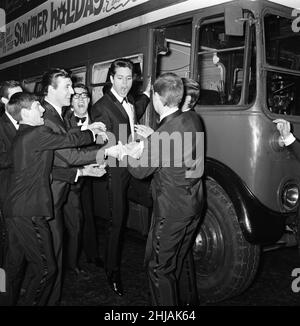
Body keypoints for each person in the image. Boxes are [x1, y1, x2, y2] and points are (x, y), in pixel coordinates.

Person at [2, 92, 106, 305]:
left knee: (13, 265)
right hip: (29, 212)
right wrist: (93, 134)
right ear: (25, 112)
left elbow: (45, 172)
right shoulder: (36, 132)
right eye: (37, 107)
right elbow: (69, 140)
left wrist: (83, 172)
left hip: (18, 210)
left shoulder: (24, 135)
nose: (42, 110)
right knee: (46, 269)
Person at [125, 72, 205, 305]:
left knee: (159, 270)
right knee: (177, 262)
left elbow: (139, 171)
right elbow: (188, 160)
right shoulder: (192, 120)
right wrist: (152, 143)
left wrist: (129, 153)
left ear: (158, 98)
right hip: (194, 203)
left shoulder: (162, 135)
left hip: (171, 211)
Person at [39, 68, 113, 305]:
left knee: (53, 256)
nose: (73, 93)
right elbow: (69, 154)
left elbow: (65, 143)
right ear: (51, 90)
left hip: (56, 195)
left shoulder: (55, 114)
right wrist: (107, 151)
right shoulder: (49, 116)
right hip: (47, 198)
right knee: (45, 261)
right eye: (68, 87)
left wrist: (82, 170)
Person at [91, 58, 150, 296]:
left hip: (134, 166)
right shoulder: (102, 106)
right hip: (117, 168)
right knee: (118, 221)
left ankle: (157, 262)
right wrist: (123, 148)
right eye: (120, 78)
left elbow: (138, 107)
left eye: (129, 78)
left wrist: (148, 92)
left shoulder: (132, 100)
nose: (125, 83)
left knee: (156, 198)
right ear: (111, 79)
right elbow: (100, 144)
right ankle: (112, 271)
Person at [63, 83, 104, 274]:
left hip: (90, 177)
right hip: (70, 177)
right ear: (71, 101)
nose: (80, 99)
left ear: (89, 99)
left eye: (84, 95)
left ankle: (91, 254)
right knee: (74, 221)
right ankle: (71, 264)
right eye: (76, 96)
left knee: (88, 216)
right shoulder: (63, 121)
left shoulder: (99, 118)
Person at [0, 81, 23, 276]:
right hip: (8, 195)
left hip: (25, 195)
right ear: (4, 101)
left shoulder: (27, 122)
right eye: (16, 98)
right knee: (10, 247)